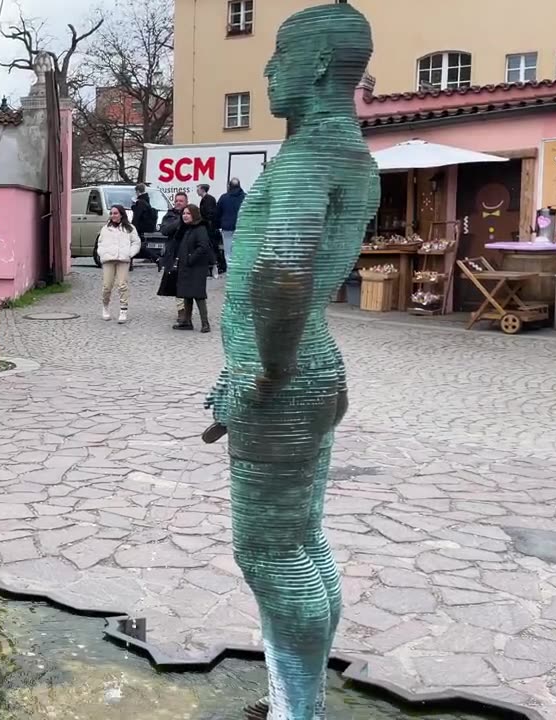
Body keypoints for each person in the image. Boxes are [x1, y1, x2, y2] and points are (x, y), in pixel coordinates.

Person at [202, 4, 381, 718]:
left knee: (267, 551)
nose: (269, 70)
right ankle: (292, 701)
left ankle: (297, 711)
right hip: (315, 366)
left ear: (312, 66)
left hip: (283, 379)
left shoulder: (307, 161)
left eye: (278, 57)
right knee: (301, 538)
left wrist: (258, 374)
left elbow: (281, 271)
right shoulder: (354, 157)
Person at [172, 205, 215, 333]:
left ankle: (205, 323)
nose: (185, 215)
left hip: (197, 267)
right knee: (186, 294)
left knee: (198, 295)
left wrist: (190, 259)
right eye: (184, 213)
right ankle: (187, 321)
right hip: (186, 266)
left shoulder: (200, 228)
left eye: (188, 213)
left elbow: (203, 247)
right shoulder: (187, 228)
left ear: (194, 215)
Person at [96, 204, 142, 323]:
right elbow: (100, 243)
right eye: (111, 213)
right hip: (108, 260)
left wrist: (129, 254)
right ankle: (105, 306)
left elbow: (136, 242)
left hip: (123, 259)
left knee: (122, 285)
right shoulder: (105, 228)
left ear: (121, 214)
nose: (113, 216)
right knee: (107, 286)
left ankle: (123, 310)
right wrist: (102, 253)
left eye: (115, 213)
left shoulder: (129, 228)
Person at [156, 191, 189, 322]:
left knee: (189, 283)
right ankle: (181, 311)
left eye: (181, 201)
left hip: (190, 253)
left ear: (186, 202)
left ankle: (189, 309)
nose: (178, 203)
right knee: (178, 284)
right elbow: (165, 230)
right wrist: (180, 221)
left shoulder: (193, 214)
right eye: (177, 201)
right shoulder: (170, 215)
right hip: (175, 254)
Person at [197, 183, 227, 276]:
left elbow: (210, 214)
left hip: (210, 228)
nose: (197, 191)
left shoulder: (208, 199)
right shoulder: (205, 199)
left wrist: (204, 221)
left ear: (202, 190)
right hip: (208, 227)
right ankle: (215, 265)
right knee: (212, 247)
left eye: (198, 189)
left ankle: (220, 265)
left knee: (213, 247)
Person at [218, 177, 246, 260]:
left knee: (228, 252)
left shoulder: (223, 197)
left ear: (229, 186)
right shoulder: (245, 197)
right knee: (241, 251)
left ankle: (230, 271)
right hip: (242, 228)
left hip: (227, 228)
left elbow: (218, 212)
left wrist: (219, 224)